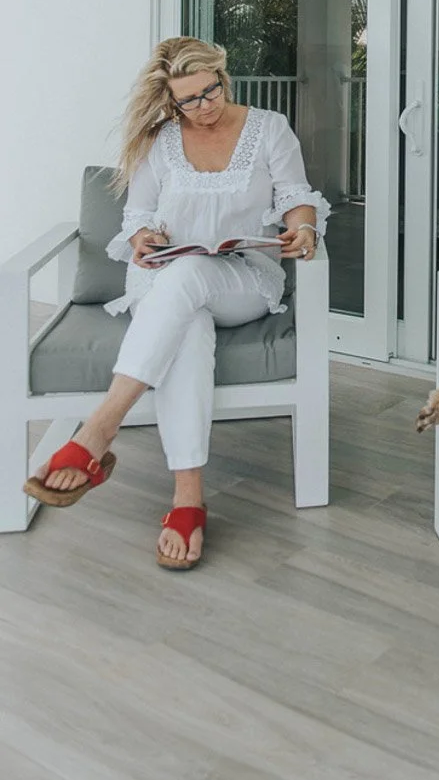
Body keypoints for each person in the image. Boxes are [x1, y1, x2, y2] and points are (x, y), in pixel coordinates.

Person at [23, 37, 330, 570]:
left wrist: (302, 230)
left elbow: (294, 196)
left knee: (190, 278)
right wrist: (143, 239)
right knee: (188, 321)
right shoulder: (161, 141)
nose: (203, 106)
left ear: (222, 77)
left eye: (210, 91)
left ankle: (97, 430)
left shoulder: (269, 128)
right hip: (166, 283)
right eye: (188, 100)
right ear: (170, 102)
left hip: (243, 281)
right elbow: (137, 217)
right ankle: (187, 500)